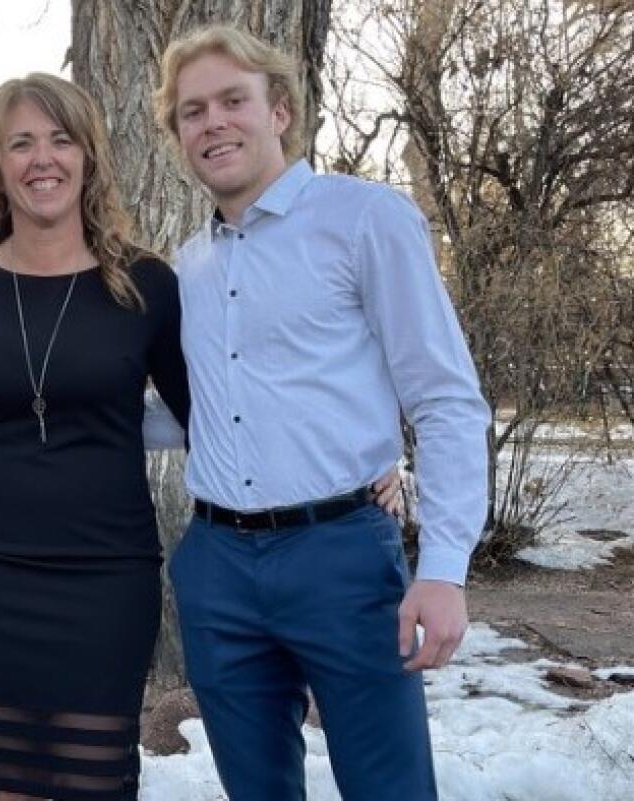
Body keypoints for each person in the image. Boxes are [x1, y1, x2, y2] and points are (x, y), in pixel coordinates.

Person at [154, 25, 491, 801]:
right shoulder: (188, 266)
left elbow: (442, 397)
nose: (213, 123)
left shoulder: (366, 219)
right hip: (216, 566)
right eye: (192, 112)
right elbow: (198, 410)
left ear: (280, 110)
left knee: (389, 788)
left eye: (233, 100)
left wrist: (444, 568)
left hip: (340, 556)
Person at [0, 73, 191, 801]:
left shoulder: (145, 287)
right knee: (10, 782)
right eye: (21, 142)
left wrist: (361, 467)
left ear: (88, 157)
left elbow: (214, 414)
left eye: (60, 138)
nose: (42, 158)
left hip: (106, 572)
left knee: (95, 780)